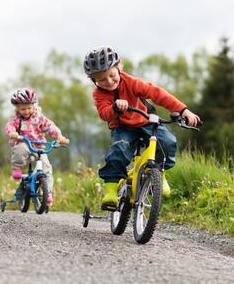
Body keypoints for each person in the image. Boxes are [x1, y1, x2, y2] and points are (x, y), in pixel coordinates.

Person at [83, 46, 200, 207]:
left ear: (119, 68)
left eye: (112, 75)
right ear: (94, 80)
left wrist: (182, 110)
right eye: (102, 80)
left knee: (166, 141)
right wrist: (115, 108)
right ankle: (110, 191)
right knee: (119, 150)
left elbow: (157, 94)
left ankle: (159, 175)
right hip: (122, 127)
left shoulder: (132, 82)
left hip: (145, 121)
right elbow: (104, 114)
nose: (109, 82)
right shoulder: (99, 94)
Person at [4, 87, 69, 206]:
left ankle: (47, 192)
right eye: (23, 109)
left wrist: (59, 136)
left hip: (39, 146)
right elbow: (9, 127)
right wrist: (12, 133)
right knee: (20, 149)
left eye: (29, 108)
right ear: (17, 108)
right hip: (24, 143)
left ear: (34, 106)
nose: (27, 111)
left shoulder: (39, 118)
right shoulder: (16, 119)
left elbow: (50, 127)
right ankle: (17, 168)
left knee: (47, 169)